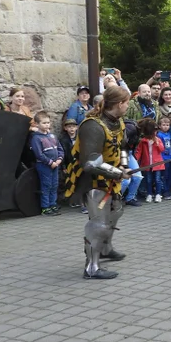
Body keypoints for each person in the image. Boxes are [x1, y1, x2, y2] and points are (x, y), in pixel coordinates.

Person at [63, 85, 132, 280]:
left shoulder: (118, 122)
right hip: (93, 179)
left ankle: (105, 249)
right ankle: (91, 267)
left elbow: (123, 147)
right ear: (119, 104)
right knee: (98, 223)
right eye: (126, 103)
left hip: (112, 176)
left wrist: (124, 167)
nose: (127, 106)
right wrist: (117, 172)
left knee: (115, 212)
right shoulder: (92, 125)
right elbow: (89, 163)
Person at [30, 111, 64, 216]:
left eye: (48, 123)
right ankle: (45, 207)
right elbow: (39, 154)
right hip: (44, 166)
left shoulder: (52, 136)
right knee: (46, 185)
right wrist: (50, 162)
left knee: (54, 185)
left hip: (55, 165)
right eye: (44, 123)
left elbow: (60, 148)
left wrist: (59, 159)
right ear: (37, 124)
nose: (47, 125)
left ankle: (53, 204)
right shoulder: (36, 138)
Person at [135, 118, 165, 203]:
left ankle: (158, 194)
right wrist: (136, 159)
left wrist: (157, 143)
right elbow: (139, 151)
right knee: (148, 180)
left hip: (157, 164)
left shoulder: (158, 140)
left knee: (158, 179)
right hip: (147, 164)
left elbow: (162, 149)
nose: (155, 133)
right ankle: (149, 194)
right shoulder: (143, 141)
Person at [155, 115, 171, 199]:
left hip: (170, 157)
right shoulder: (159, 135)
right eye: (164, 125)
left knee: (170, 175)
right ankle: (164, 191)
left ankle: (168, 190)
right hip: (163, 158)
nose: (166, 127)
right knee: (164, 175)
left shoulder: (169, 134)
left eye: (167, 125)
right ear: (159, 126)